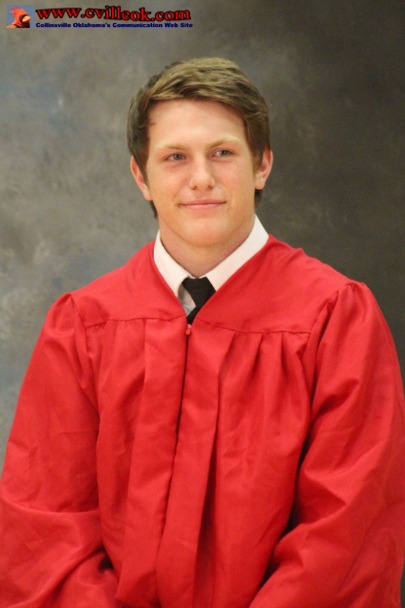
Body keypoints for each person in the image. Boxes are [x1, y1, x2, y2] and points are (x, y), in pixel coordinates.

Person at [0, 57, 404, 608]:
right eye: (175, 157)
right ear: (140, 176)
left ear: (262, 164)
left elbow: (345, 533)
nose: (201, 179)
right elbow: (45, 530)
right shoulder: (85, 326)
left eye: (222, 153)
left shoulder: (334, 319)